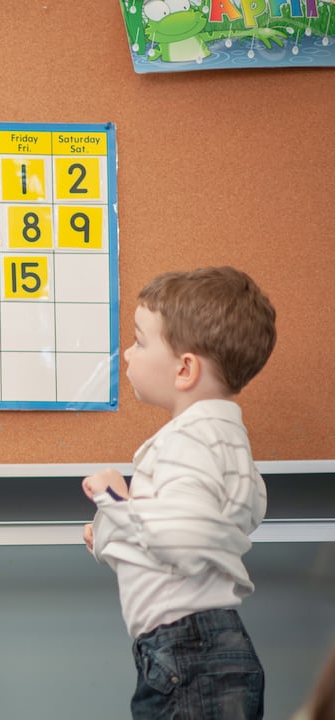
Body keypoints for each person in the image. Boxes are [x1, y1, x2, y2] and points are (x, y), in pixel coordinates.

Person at [81, 266, 276, 720]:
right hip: (209, 648)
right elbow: (213, 528)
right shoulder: (226, 441)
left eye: (140, 341)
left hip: (185, 651)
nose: (128, 353)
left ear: (184, 368)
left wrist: (115, 501)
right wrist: (115, 529)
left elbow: (183, 540)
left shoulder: (184, 441)